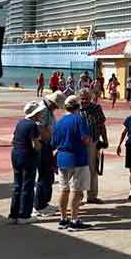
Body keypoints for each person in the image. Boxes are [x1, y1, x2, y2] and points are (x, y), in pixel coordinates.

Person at [51, 96, 92, 231]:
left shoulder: (59, 122)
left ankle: (63, 219)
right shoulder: (79, 119)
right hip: (78, 158)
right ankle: (74, 220)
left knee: (64, 189)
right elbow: (85, 139)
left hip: (62, 159)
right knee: (76, 189)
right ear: (78, 107)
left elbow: (54, 143)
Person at [9, 101, 44, 224]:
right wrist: (41, 146)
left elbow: (13, 139)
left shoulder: (20, 123)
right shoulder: (33, 125)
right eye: (39, 113)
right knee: (28, 185)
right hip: (27, 156)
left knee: (17, 185)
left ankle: (14, 213)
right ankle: (24, 215)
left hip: (16, 153)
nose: (41, 114)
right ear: (35, 114)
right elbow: (35, 144)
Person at [34, 91, 65, 217]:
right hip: (43, 146)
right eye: (57, 106)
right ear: (53, 103)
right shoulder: (44, 111)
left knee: (48, 176)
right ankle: (40, 205)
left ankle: (44, 203)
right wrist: (51, 141)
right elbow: (41, 129)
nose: (57, 108)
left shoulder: (47, 109)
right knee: (45, 176)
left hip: (46, 145)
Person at [79, 89, 108, 204]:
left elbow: (102, 125)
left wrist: (105, 140)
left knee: (93, 169)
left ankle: (92, 196)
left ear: (90, 98)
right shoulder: (76, 109)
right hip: (79, 143)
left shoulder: (96, 108)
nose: (84, 101)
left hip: (93, 142)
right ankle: (78, 196)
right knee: (79, 170)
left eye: (86, 98)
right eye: (82, 98)